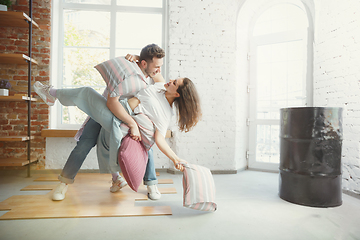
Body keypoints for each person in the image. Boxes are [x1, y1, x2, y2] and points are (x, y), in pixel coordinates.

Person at [35, 44, 165, 201]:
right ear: (144, 63)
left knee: (145, 142)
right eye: (156, 66)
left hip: (128, 115)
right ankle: (63, 185)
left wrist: (139, 58)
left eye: (160, 66)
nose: (158, 70)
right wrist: (138, 60)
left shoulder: (151, 74)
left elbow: (161, 83)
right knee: (83, 146)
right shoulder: (129, 72)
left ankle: (151, 184)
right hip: (105, 109)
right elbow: (111, 103)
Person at [34, 75, 202, 190]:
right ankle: (116, 180)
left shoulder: (165, 113)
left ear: (177, 93)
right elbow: (156, 69)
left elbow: (160, 139)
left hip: (117, 119)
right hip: (117, 109)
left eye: (174, 82)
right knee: (96, 141)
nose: (170, 80)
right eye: (173, 78)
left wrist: (175, 159)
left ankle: (51, 94)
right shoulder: (160, 87)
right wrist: (136, 57)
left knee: (86, 92)